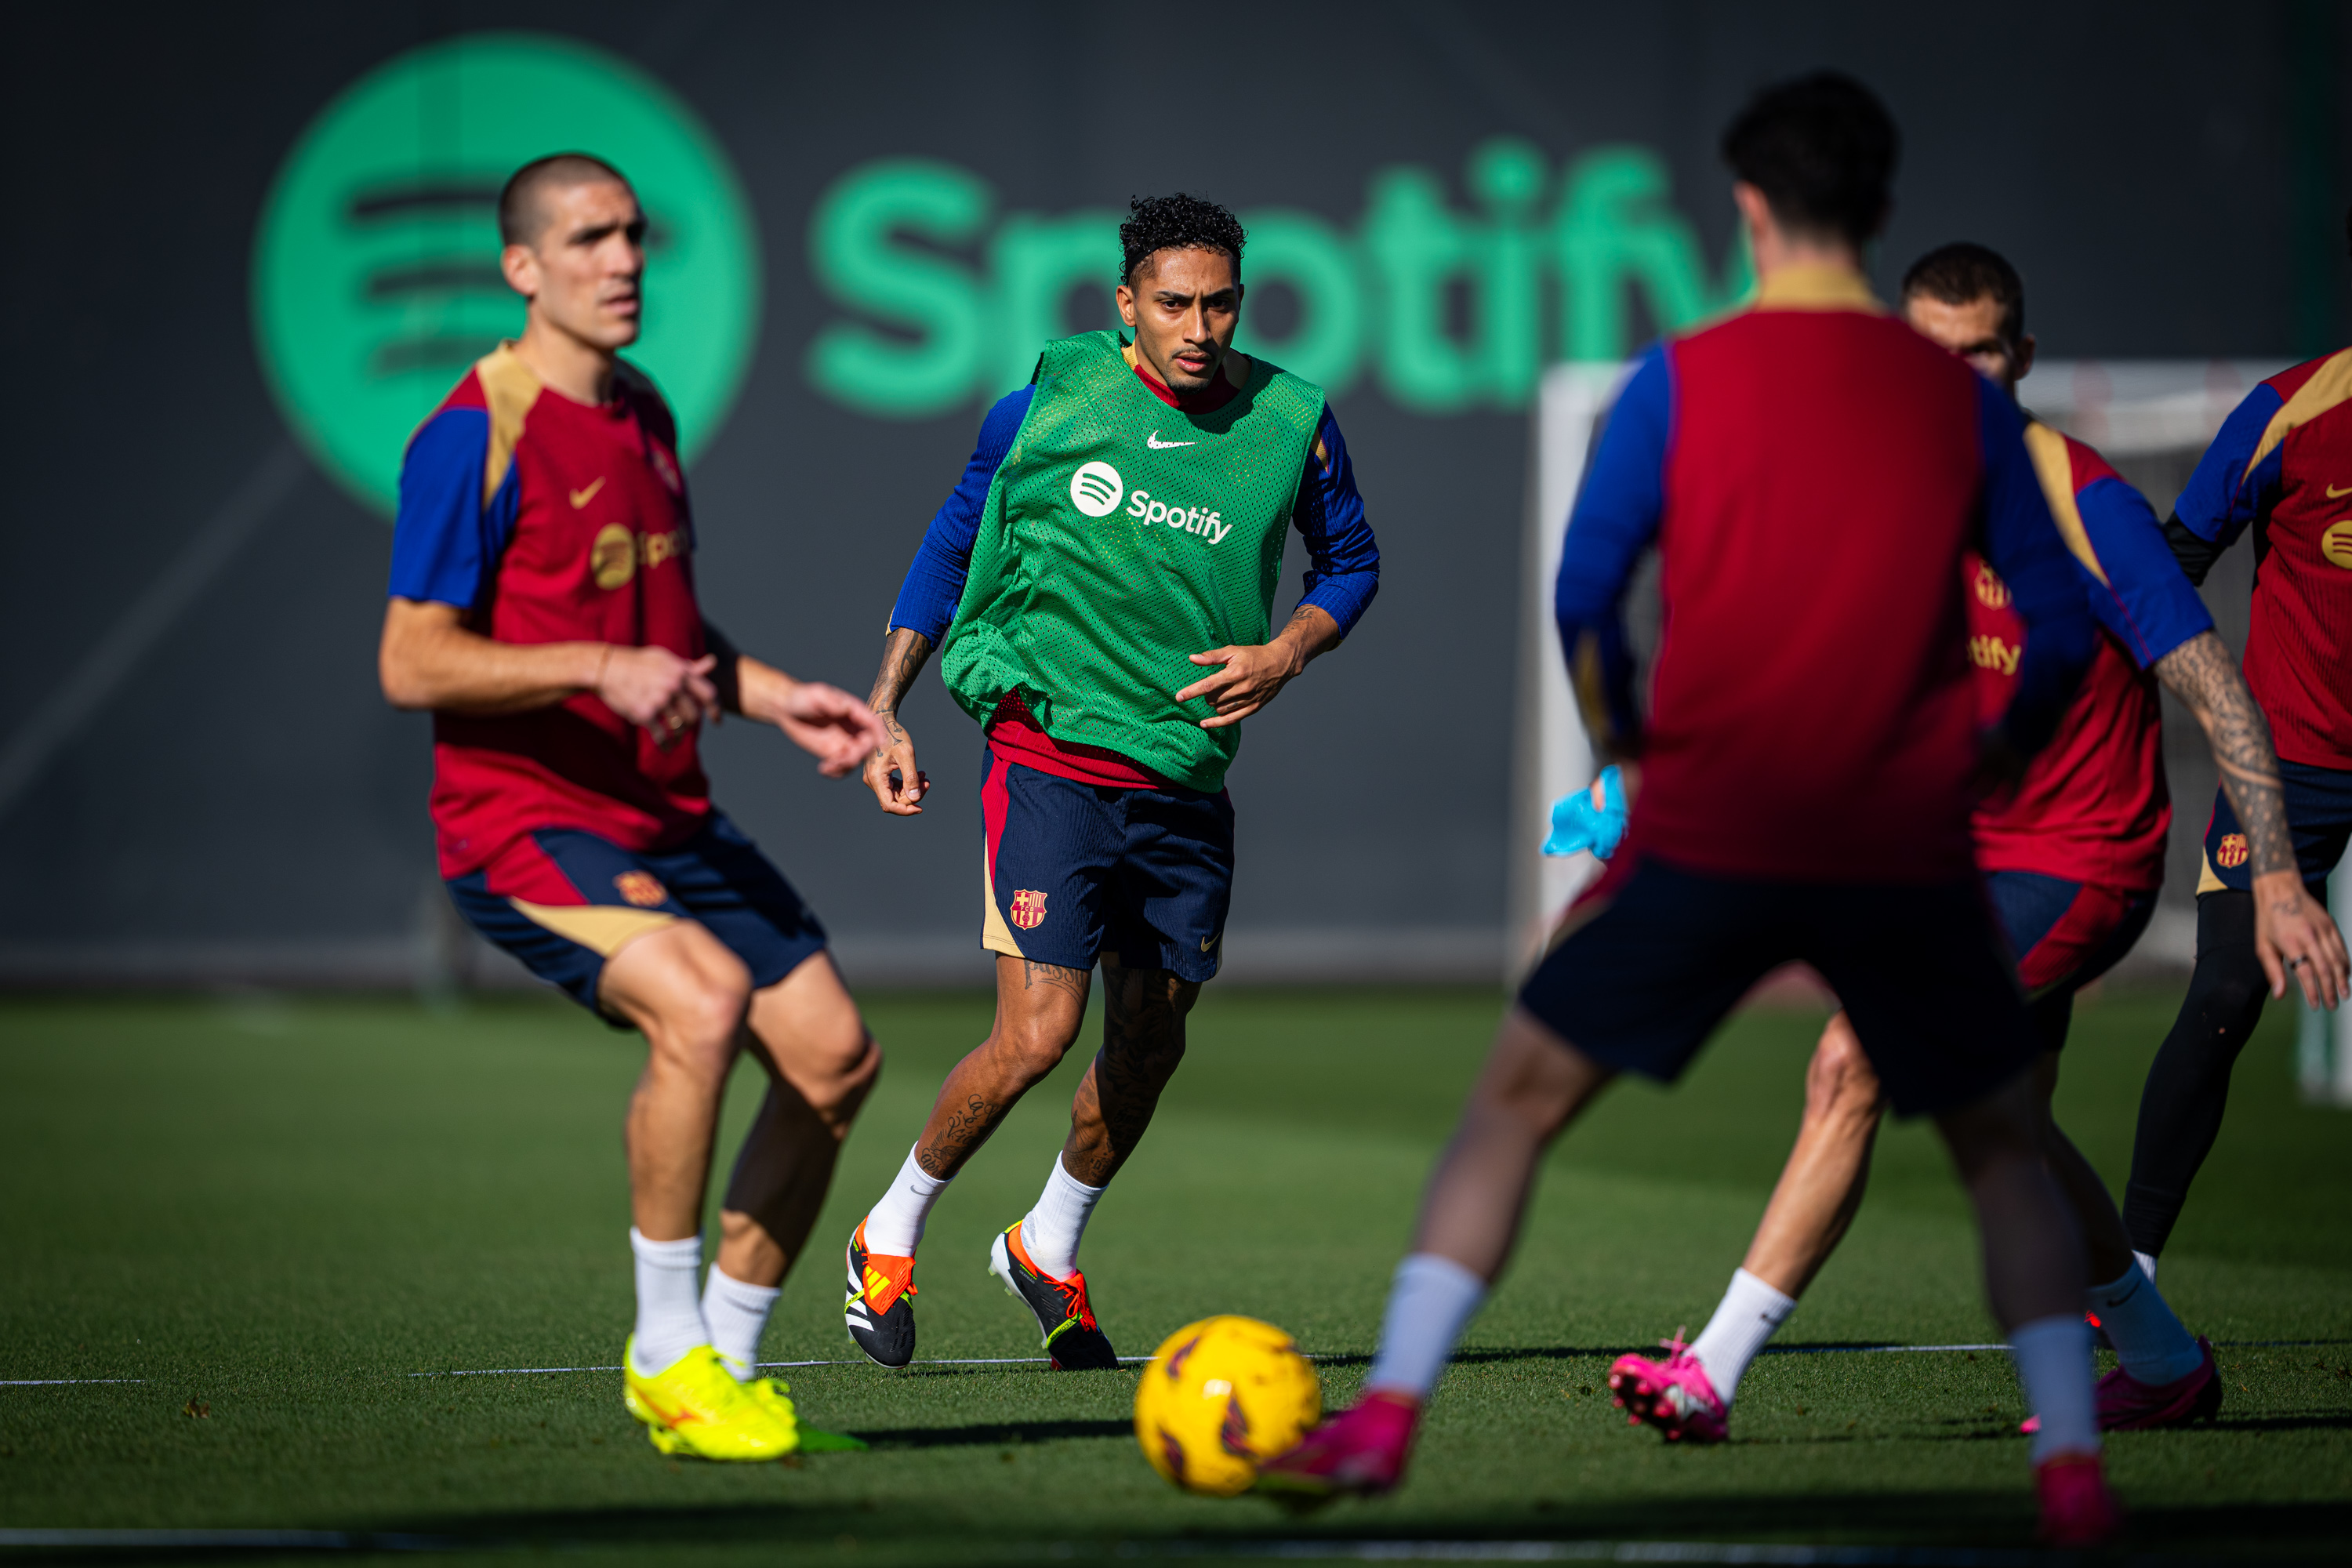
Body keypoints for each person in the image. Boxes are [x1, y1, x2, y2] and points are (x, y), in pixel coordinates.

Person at [1261, 75, 2122, 1545]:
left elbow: (1587, 595)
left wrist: (1628, 744)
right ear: (1879, 211)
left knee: (1512, 1111)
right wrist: (1982, 765)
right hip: (1900, 844)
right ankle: (2073, 1477)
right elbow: (2053, 624)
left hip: (1710, 824)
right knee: (1999, 1152)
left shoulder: (1682, 378)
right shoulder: (1954, 403)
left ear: (1746, 209)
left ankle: (1387, 1417)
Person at [1602, 242, 2348, 1449]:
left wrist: (2273, 874)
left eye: (1982, 352)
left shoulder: (2082, 501)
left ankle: (1712, 1371)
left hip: (2082, 863)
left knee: (1854, 1057)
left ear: (2024, 359)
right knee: (2002, 1120)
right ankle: (2160, 1361)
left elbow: (2219, 691)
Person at [378, 154, 891, 1460]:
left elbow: (663, 637)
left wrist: (779, 698)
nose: (623, 261)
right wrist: (597, 667)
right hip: (522, 822)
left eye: (634, 237)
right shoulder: (473, 432)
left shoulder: (644, 410)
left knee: (836, 1057)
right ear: (523, 268)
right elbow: (411, 660)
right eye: (591, 238)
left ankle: (722, 1366)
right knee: (704, 1000)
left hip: (664, 813)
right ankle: (665, 1356)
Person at [840, 192, 1380, 1371]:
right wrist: (885, 704)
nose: (1200, 327)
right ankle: (887, 1235)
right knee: (1039, 1035)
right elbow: (950, 542)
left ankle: (1047, 1245)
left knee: (1149, 1047)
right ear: (1125, 302)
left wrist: (1289, 649)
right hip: (1051, 759)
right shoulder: (1047, 405)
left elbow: (1353, 564)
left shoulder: (1293, 421)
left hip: (1183, 779)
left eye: (1221, 303)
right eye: (1174, 303)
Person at [2124, 209, 2352, 1270]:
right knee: (2221, 1000)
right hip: (2293, 767)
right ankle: (2130, 1281)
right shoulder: (2288, 411)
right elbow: (2175, 559)